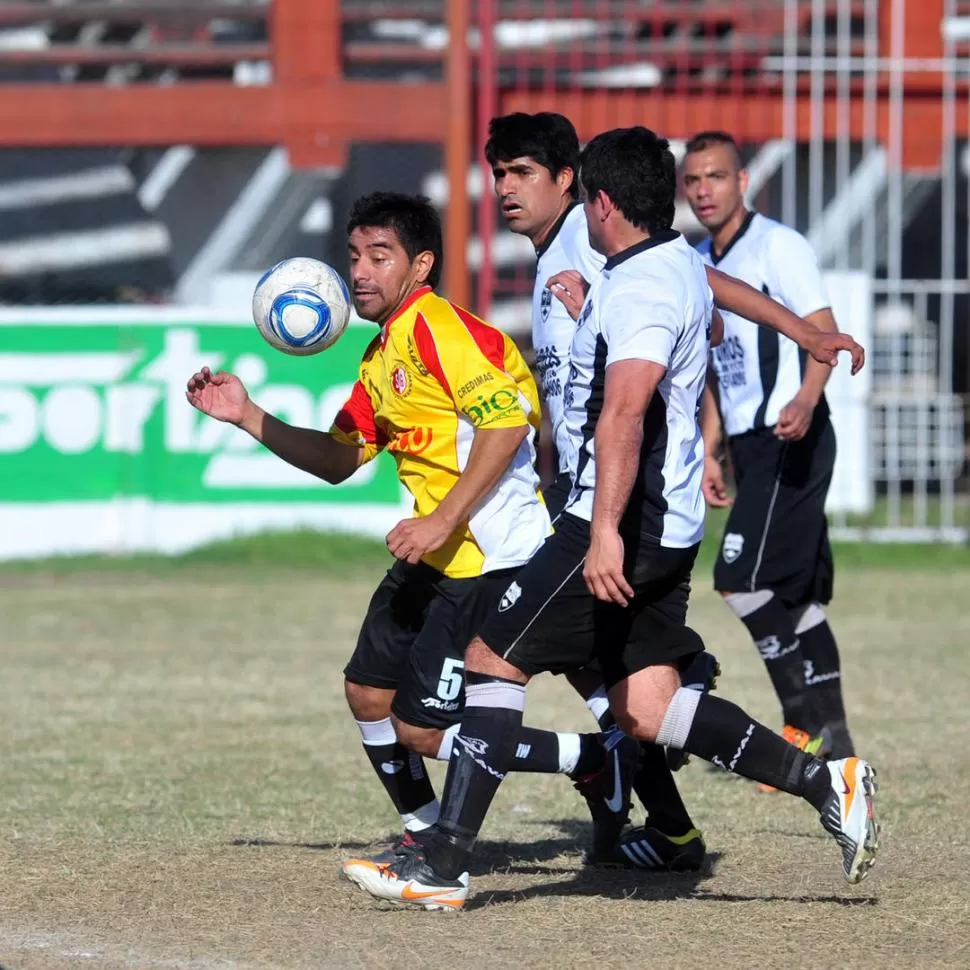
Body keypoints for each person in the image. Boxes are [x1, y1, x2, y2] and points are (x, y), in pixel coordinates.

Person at [342, 129, 879, 911]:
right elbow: (708, 302)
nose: (504, 188)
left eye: (522, 173)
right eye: (499, 174)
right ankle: (825, 781)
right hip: (667, 521)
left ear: (591, 196)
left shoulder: (628, 277)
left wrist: (598, 532)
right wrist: (802, 331)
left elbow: (625, 411)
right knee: (647, 707)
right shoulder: (652, 265)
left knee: (494, 660)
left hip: (619, 514)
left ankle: (444, 863)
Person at [186, 191, 636, 869]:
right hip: (437, 554)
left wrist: (440, 520)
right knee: (368, 691)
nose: (359, 272)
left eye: (379, 255)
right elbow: (340, 460)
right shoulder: (381, 355)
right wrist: (249, 417)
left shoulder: (442, 331)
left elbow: (507, 425)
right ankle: (426, 829)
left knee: (423, 727)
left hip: (490, 558)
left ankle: (592, 760)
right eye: (353, 256)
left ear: (420, 264)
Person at [682, 130, 856, 774]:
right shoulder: (698, 258)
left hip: (793, 434)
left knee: (737, 578)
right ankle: (836, 741)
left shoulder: (778, 246)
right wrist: (709, 450)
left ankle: (801, 730)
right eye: (693, 180)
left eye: (715, 177)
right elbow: (708, 369)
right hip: (749, 446)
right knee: (796, 595)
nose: (703, 190)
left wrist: (808, 400)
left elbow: (823, 333)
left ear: (742, 181)